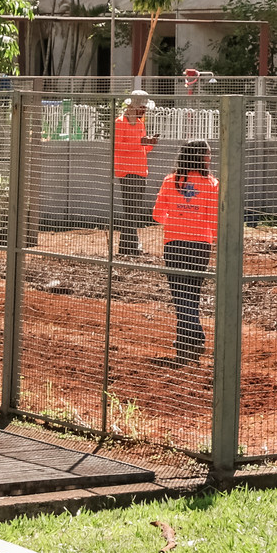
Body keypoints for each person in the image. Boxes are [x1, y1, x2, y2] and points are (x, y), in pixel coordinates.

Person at [153, 138, 219, 362]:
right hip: (201, 244)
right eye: (208, 154)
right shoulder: (212, 184)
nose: (210, 158)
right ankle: (185, 341)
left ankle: (194, 337)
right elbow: (214, 219)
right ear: (200, 157)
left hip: (174, 243)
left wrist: (175, 218)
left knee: (180, 295)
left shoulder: (170, 180)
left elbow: (157, 214)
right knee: (191, 294)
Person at [113, 90, 160, 257]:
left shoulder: (140, 123)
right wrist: (140, 142)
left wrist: (149, 143)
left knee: (133, 211)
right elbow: (118, 146)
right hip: (127, 172)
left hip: (141, 171)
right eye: (142, 107)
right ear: (132, 107)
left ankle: (127, 247)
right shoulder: (120, 122)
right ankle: (131, 246)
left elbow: (142, 148)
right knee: (131, 210)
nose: (144, 110)